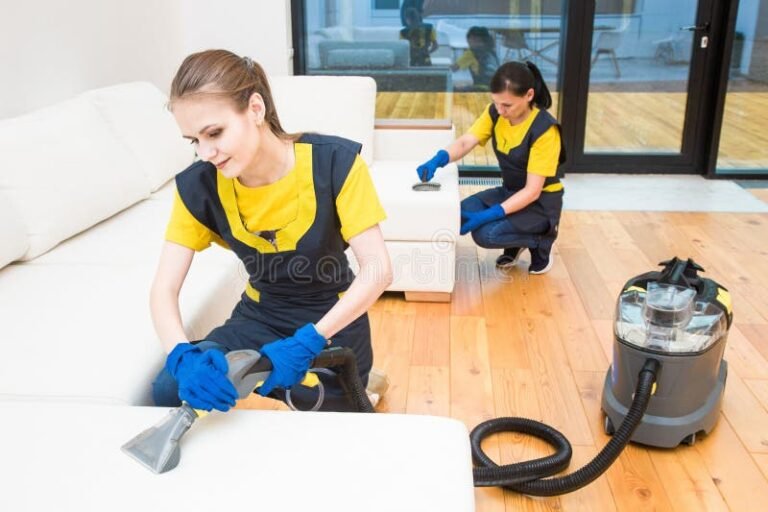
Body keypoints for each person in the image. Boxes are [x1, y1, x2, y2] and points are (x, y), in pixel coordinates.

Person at [150, 49, 392, 413]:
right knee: (171, 387)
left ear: (256, 108)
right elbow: (163, 289)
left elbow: (378, 270)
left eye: (214, 133)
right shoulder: (199, 187)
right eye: (194, 140)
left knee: (335, 420)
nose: (206, 153)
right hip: (259, 316)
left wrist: (308, 342)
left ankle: (362, 383)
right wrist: (181, 355)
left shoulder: (335, 164)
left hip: (331, 322)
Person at [417, 61, 565, 274]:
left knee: (486, 234)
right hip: (510, 191)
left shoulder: (544, 130)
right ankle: (515, 242)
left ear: (529, 95)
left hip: (540, 202)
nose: (500, 110)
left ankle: (540, 241)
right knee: (459, 211)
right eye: (496, 103)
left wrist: (492, 214)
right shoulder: (495, 113)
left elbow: (532, 191)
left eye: (507, 105)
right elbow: (466, 142)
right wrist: (438, 160)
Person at [452, 26, 500, 91]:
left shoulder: (471, 52)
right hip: (495, 89)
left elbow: (454, 68)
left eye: (469, 39)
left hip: (481, 89)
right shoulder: (492, 52)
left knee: (452, 90)